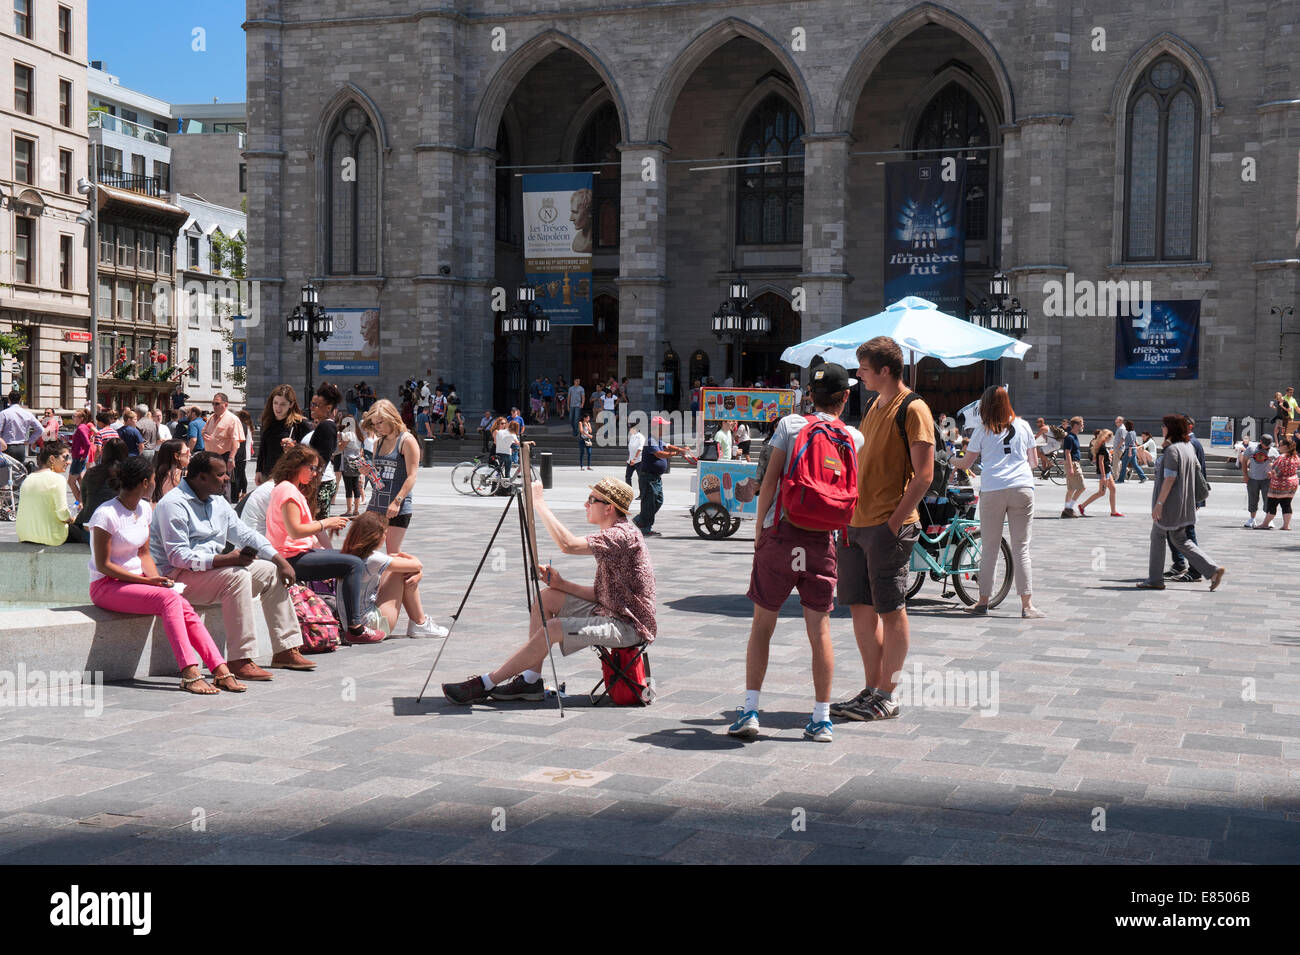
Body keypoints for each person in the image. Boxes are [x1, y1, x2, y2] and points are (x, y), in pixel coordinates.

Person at [729, 363, 863, 743]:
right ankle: (821, 719)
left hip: (781, 534)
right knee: (820, 631)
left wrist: (759, 531)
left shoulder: (790, 425)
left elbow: (770, 481)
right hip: (822, 540)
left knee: (762, 626)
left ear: (809, 395)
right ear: (846, 396)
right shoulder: (853, 437)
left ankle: (750, 711)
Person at [442, 477, 654, 704]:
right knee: (547, 598)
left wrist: (539, 503)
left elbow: (568, 545)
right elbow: (602, 595)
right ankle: (530, 680)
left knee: (553, 628)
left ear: (609, 508)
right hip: (611, 613)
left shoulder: (621, 535)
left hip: (629, 627)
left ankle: (485, 683)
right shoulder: (616, 534)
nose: (585, 504)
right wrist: (561, 584)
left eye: (591, 500)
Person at [831, 336, 935, 724]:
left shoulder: (913, 408)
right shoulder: (874, 404)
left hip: (888, 526)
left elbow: (924, 475)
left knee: (891, 610)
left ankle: (887, 695)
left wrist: (892, 525)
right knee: (860, 607)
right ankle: (872, 688)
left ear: (885, 370)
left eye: (864, 369)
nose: (859, 375)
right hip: (856, 522)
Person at [87, 456, 245, 694]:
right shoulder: (105, 514)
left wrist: (159, 582)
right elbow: (103, 565)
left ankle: (220, 669)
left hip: (136, 582)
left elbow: (144, 554)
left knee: (181, 602)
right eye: (153, 479)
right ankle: (189, 672)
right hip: (106, 586)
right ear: (144, 483)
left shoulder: (143, 509)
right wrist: (147, 581)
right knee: (170, 600)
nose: (155, 483)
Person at [152, 451, 316, 680]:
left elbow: (244, 534)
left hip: (213, 572)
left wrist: (278, 560)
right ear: (201, 477)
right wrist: (227, 560)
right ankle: (240, 659)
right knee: (236, 576)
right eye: (220, 474)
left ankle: (285, 650)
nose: (227, 478)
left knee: (270, 571)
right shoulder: (173, 505)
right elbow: (178, 557)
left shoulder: (218, 501)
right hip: (179, 578)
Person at [264, 444, 382, 645]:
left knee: (350, 560)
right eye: (311, 468)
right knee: (353, 564)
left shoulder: (286, 488)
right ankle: (355, 627)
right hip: (289, 558)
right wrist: (327, 523)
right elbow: (295, 530)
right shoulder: (288, 490)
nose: (314, 473)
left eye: (317, 469)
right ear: (296, 465)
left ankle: (348, 621)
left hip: (293, 553)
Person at [948, 386, 1043, 618]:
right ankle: (1027, 605)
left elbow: (966, 464)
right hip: (1022, 487)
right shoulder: (1023, 425)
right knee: (1021, 548)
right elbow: (1034, 462)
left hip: (993, 489)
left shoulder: (982, 429)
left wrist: (950, 458)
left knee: (990, 547)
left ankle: (982, 601)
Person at [1138, 415, 1226, 591]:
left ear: (1171, 429)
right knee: (1180, 539)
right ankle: (1212, 570)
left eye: (1164, 426)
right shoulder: (1187, 447)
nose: (1162, 428)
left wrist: (1159, 504)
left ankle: (1155, 579)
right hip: (1184, 502)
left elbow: (1170, 477)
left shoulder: (1173, 450)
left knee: (1157, 536)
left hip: (1169, 504)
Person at [341, 512, 447, 638]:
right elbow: (417, 565)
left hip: (348, 623)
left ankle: (420, 624)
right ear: (375, 536)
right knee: (403, 570)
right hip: (369, 626)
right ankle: (420, 623)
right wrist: (417, 571)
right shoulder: (373, 558)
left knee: (398, 568)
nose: (386, 537)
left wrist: (413, 570)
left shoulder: (347, 553)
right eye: (385, 533)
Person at [363, 399, 420, 554]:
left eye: (380, 422)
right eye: (374, 424)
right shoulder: (378, 443)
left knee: (393, 552)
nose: (377, 427)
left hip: (397, 506)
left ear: (391, 418)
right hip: (376, 503)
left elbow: (412, 476)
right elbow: (378, 480)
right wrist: (368, 472)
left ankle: (413, 567)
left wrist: (397, 501)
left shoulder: (406, 440)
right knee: (365, 547)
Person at [17, 440, 88, 545]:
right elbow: (62, 514)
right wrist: (73, 519)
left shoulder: (28, 478)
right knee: (86, 532)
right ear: (52, 459)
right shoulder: (57, 479)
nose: (69, 462)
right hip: (50, 536)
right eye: (65, 457)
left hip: (25, 535)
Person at [633, 416, 692, 537]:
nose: (666, 428)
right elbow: (659, 453)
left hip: (655, 477)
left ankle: (640, 519)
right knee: (649, 503)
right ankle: (645, 528)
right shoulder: (651, 440)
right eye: (664, 426)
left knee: (658, 500)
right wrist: (676, 453)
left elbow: (668, 446)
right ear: (657, 427)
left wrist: (680, 449)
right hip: (648, 477)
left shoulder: (657, 439)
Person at [255, 384, 311, 484]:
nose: (278, 408)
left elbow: (311, 451)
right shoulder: (267, 422)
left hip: (290, 475)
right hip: (268, 475)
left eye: (283, 404)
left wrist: (294, 447)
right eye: (275, 403)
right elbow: (263, 449)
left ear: (291, 404)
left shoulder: (300, 424)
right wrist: (258, 470)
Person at [73, 438, 129, 534]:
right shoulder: (129, 475)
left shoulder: (91, 472)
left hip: (87, 523)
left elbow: (84, 499)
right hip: (116, 526)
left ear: (104, 453)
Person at [304, 383, 341, 519]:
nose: (311, 408)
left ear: (328, 408)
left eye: (316, 405)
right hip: (317, 481)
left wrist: (313, 484)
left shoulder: (326, 426)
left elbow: (322, 459)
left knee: (317, 523)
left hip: (319, 483)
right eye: (311, 404)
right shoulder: (324, 425)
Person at [201, 393, 243, 497]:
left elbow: (235, 440)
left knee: (223, 486)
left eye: (217, 404)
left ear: (226, 404)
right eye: (213, 403)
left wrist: (231, 458)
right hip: (210, 456)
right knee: (211, 486)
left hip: (223, 457)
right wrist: (204, 435)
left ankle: (225, 506)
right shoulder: (211, 417)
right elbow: (204, 431)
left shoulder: (232, 419)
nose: (214, 406)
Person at [1257, 436, 1299, 531]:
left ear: (1286, 447)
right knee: (1286, 504)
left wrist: (1271, 468)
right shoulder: (1296, 457)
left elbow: (1276, 471)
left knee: (1272, 503)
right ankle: (1286, 525)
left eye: (1280, 445)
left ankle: (1265, 524)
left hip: (1279, 484)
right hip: (1292, 483)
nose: (1278, 447)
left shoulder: (1282, 457)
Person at [1080, 428, 1123, 517]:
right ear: (1106, 437)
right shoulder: (1102, 447)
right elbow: (1100, 462)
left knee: (1113, 489)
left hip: (1107, 471)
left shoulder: (1102, 445)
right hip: (1104, 472)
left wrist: (1108, 457)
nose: (1111, 440)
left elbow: (1100, 459)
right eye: (1110, 438)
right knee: (1101, 492)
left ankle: (1113, 511)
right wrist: (1103, 476)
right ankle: (1082, 506)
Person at [1239, 433, 1277, 528]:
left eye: (1268, 445)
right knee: (1252, 499)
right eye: (1265, 444)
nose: (1267, 447)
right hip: (1253, 478)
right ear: (1260, 442)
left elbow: (1278, 465)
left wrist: (1273, 472)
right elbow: (1244, 461)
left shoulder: (1274, 451)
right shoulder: (1251, 449)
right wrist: (1245, 475)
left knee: (1268, 500)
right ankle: (1252, 519)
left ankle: (1268, 520)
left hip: (1267, 480)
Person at [0, 390, 41, 464]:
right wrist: (30, 441)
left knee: (6, 470)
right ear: (20, 400)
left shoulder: (4, 413)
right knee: (19, 469)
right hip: (21, 447)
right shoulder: (27, 413)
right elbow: (40, 429)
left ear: (9, 400)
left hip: (7, 447)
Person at [1060, 416, 1087, 517]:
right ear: (1076, 425)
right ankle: (1069, 508)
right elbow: (1067, 452)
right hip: (1073, 464)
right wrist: (1070, 467)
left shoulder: (1074, 436)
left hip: (1074, 463)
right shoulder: (1070, 437)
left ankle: (1066, 510)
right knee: (1082, 487)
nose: (1083, 426)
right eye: (1081, 424)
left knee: (1071, 489)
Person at [69, 408, 95, 502]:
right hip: (78, 456)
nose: (73, 418)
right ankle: (84, 502)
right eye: (73, 416)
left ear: (81, 418)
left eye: (75, 416)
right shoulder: (81, 427)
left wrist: (84, 456)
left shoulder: (81, 427)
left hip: (79, 457)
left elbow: (87, 444)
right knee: (80, 480)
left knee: (71, 481)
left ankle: (81, 503)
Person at [231, 409, 253, 501]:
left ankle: (237, 494)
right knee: (241, 474)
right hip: (244, 454)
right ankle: (242, 492)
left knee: (237, 475)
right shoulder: (247, 426)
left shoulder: (242, 426)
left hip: (241, 453)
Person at [625, 422, 644, 487]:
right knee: (627, 477)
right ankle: (629, 491)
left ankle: (642, 492)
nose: (629, 430)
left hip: (638, 461)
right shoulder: (632, 436)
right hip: (631, 460)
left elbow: (640, 448)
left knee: (641, 478)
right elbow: (631, 448)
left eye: (631, 428)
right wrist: (630, 459)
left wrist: (635, 458)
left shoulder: (640, 437)